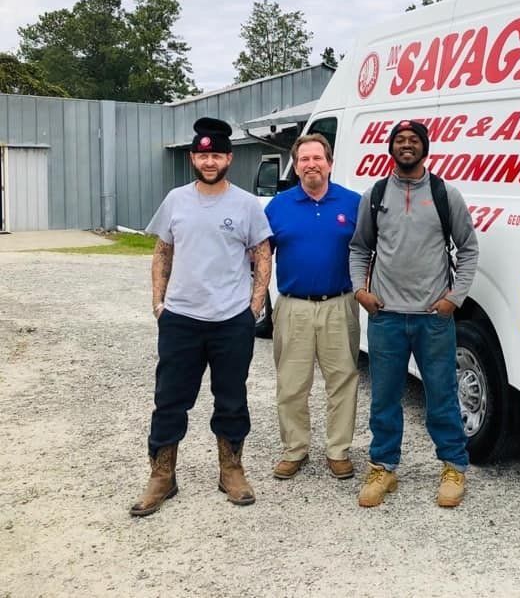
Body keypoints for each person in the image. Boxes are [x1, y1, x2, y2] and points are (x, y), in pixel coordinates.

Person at [130, 117, 272, 517]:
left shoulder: (245, 204)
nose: (209, 161)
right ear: (193, 158)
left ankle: (231, 469)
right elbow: (162, 251)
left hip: (230, 320)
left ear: (229, 158)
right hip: (181, 318)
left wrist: (254, 306)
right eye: (202, 155)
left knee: (231, 398)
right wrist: (159, 303)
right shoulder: (176, 200)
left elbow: (262, 253)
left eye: (216, 155)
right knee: (170, 400)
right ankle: (162, 476)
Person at [349, 119, 479, 508]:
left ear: (425, 148)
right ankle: (383, 468)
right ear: (390, 149)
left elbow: (468, 249)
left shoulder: (444, 195)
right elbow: (360, 248)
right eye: (400, 140)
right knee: (385, 398)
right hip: (386, 316)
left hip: (433, 319)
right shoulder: (375, 195)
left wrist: (453, 298)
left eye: (413, 140)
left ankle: (454, 467)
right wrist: (361, 291)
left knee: (441, 396)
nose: (407, 146)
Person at [264, 134, 361, 481]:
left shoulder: (353, 203)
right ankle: (295, 449)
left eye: (317, 158)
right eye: (304, 159)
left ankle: (338, 451)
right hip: (293, 307)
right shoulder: (278, 206)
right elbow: (261, 255)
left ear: (330, 163)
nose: (311, 165)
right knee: (291, 384)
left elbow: (370, 251)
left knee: (343, 380)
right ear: (297, 165)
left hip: (340, 304)